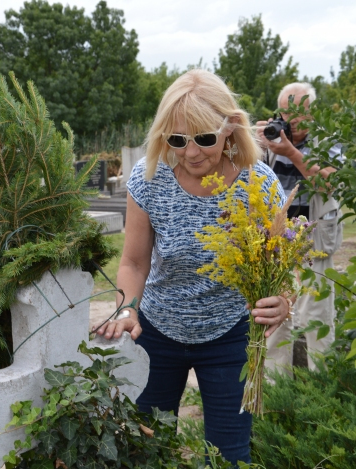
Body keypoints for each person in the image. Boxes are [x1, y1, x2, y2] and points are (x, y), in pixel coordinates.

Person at [93, 69, 290, 466]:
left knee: (228, 456)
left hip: (231, 336)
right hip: (158, 331)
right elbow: (133, 261)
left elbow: (281, 264)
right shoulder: (150, 179)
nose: (192, 152)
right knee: (145, 447)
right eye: (177, 140)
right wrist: (128, 308)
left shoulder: (261, 184)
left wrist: (285, 299)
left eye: (204, 138)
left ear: (230, 128)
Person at [255, 82, 343, 375]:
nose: (289, 120)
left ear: (311, 113)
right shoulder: (270, 140)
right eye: (284, 113)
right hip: (276, 245)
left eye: (296, 114)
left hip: (312, 244)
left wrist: (290, 151)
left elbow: (329, 183)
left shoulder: (327, 140)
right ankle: (278, 400)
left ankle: (323, 393)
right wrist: (252, 145)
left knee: (316, 319)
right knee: (276, 326)